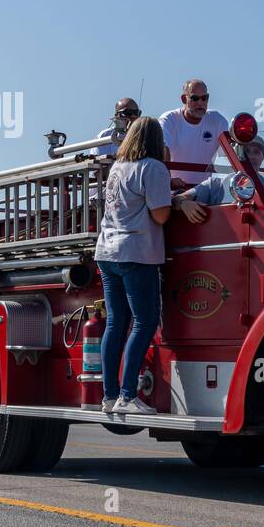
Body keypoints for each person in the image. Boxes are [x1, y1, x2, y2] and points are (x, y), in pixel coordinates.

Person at [94, 116, 173, 415]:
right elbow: (161, 215)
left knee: (115, 324)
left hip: (106, 251)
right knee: (144, 322)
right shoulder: (153, 167)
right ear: (156, 140)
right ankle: (128, 394)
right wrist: (176, 200)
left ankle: (109, 395)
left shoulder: (117, 167)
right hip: (136, 252)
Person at [174, 134, 264, 216]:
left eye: (257, 152)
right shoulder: (216, 185)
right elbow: (176, 199)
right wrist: (184, 203)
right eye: (246, 151)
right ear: (236, 156)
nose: (251, 156)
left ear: (263, 157)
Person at [159, 79, 229, 188]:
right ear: (184, 99)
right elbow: (163, 148)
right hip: (174, 191)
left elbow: (231, 152)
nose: (200, 103)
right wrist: (167, 180)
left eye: (204, 98)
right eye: (195, 98)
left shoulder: (217, 120)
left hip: (205, 192)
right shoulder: (169, 120)